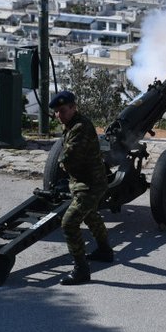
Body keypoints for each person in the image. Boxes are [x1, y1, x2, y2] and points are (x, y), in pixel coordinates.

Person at [49, 90, 113, 285]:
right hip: (84, 182)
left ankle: (81, 270)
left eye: (63, 110)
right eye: (57, 112)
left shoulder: (79, 127)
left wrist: (62, 162)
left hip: (90, 185)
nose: (59, 115)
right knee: (91, 215)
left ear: (73, 107)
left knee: (69, 223)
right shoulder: (71, 125)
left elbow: (67, 158)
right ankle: (104, 251)